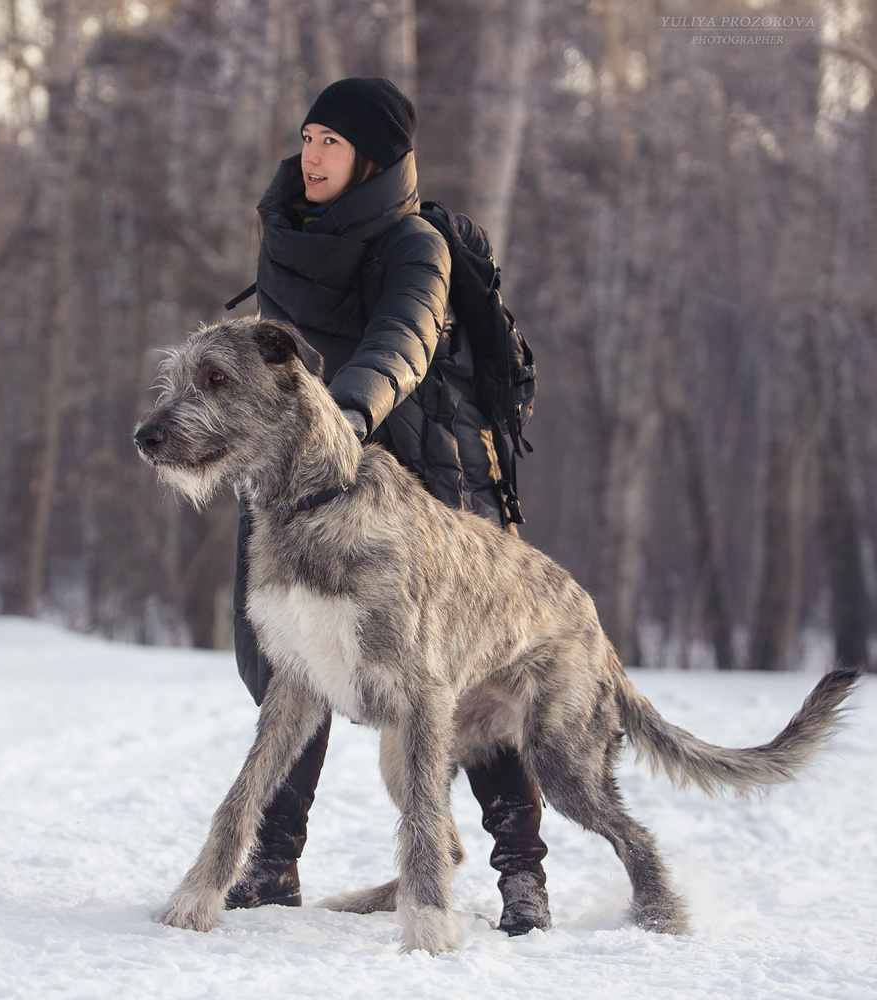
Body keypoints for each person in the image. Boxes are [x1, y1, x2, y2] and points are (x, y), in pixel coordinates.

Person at [228, 77, 550, 935]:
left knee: (466, 684)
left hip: (436, 488)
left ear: (373, 157)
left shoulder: (417, 245)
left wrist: (344, 419)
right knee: (292, 665)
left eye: (332, 141)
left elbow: (401, 343)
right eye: (307, 136)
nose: (312, 154)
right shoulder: (289, 237)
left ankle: (521, 876)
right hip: (311, 482)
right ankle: (269, 866)